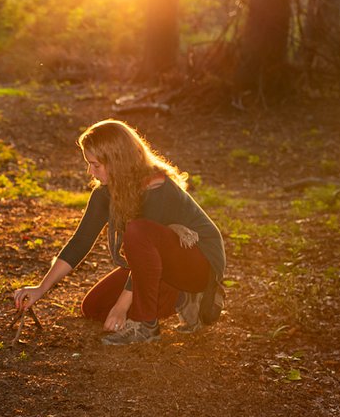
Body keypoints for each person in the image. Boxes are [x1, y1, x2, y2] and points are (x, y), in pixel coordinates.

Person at [12, 120, 226, 345]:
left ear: (117, 161)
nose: (90, 172)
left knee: (137, 232)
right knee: (95, 307)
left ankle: (146, 326)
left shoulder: (157, 185)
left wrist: (122, 306)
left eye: (95, 165)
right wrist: (41, 289)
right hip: (162, 267)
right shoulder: (105, 193)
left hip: (198, 264)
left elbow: (144, 238)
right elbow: (80, 242)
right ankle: (183, 298)